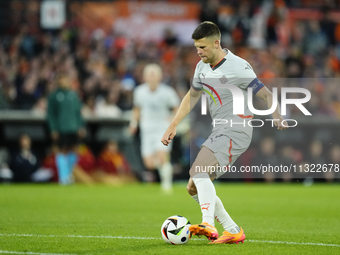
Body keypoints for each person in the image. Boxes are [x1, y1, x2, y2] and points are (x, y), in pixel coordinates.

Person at [161, 21, 288, 244]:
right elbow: (192, 96)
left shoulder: (238, 66)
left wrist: (276, 115)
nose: (198, 52)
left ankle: (208, 223)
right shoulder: (201, 67)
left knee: (198, 171)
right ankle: (232, 230)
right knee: (193, 187)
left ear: (216, 43)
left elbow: (266, 94)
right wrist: (173, 124)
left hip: (237, 128)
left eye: (202, 47)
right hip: (220, 129)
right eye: (196, 47)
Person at [130, 64, 180, 192]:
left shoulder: (167, 92)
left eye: (154, 74)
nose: (151, 78)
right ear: (145, 77)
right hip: (147, 129)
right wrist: (133, 124)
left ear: (160, 76)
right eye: (149, 75)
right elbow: (137, 109)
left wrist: (173, 120)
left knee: (162, 154)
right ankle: (165, 170)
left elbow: (177, 108)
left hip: (162, 128)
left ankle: (166, 183)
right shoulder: (139, 91)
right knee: (149, 163)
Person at [47, 72, 86, 185]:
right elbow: (51, 114)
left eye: (66, 79)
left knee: (75, 151)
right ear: (58, 81)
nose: (64, 82)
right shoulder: (54, 96)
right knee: (61, 151)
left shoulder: (74, 95)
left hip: (73, 128)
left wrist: (81, 126)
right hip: (61, 129)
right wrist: (53, 128)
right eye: (62, 80)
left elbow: (78, 113)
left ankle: (69, 175)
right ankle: (63, 177)